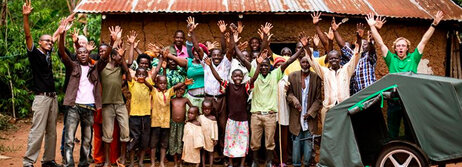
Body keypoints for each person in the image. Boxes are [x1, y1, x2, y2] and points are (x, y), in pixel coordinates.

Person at [365, 12, 444, 138]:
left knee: (411, 130)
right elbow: (380, 43)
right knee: (393, 132)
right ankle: (394, 152)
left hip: (410, 100)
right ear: (395, 49)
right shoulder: (391, 59)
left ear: (407, 48)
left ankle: (412, 153)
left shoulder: (414, 58)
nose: (401, 48)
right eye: (398, 46)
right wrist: (372, 27)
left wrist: (434, 24)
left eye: (403, 46)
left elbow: (424, 41)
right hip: (394, 101)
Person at [57, 19, 111, 167]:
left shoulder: (95, 68)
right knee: (69, 138)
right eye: (79, 52)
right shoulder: (72, 66)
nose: (82, 54)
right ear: (77, 54)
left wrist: (112, 40)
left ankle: (83, 163)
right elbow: (62, 52)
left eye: (85, 52)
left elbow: (105, 57)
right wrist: (62, 35)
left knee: (87, 140)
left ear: (89, 54)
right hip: (74, 107)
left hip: (89, 108)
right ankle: (69, 164)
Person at [22, 0, 67, 166]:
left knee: (52, 132)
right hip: (41, 99)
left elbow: (54, 37)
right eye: (46, 41)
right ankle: (28, 162)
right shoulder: (34, 53)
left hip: (53, 98)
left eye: (50, 41)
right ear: (39, 43)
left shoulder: (48, 53)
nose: (49, 42)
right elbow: (28, 35)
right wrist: (26, 17)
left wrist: (60, 29)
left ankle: (48, 160)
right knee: (37, 130)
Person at [206, 49, 262, 167]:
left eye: (240, 75)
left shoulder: (246, 86)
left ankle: (242, 163)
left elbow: (255, 77)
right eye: (235, 75)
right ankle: (231, 163)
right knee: (230, 142)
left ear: (243, 77)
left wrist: (259, 64)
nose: (237, 77)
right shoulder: (228, 86)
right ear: (231, 77)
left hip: (243, 120)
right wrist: (211, 66)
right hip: (231, 120)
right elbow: (218, 78)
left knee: (243, 142)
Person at [304, 31, 361, 126]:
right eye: (331, 59)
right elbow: (312, 61)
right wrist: (306, 47)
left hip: (344, 108)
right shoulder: (325, 72)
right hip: (328, 109)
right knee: (328, 135)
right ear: (328, 61)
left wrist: (359, 38)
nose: (333, 60)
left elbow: (355, 57)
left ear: (340, 59)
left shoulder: (346, 70)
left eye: (335, 58)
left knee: (344, 132)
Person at [149, 52, 189, 167]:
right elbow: (149, 84)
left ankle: (161, 162)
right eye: (160, 83)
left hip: (165, 123)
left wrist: (184, 83)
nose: (162, 85)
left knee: (163, 144)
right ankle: (152, 162)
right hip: (155, 122)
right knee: (153, 144)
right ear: (156, 83)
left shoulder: (169, 92)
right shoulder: (154, 91)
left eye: (164, 83)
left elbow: (175, 87)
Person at [332, 17, 384, 94]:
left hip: (371, 94)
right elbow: (342, 46)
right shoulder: (354, 57)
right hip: (358, 96)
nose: (364, 45)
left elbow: (372, 46)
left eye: (365, 44)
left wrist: (374, 32)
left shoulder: (369, 57)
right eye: (362, 44)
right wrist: (335, 31)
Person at [99, 37, 130, 166]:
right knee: (107, 133)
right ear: (112, 56)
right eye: (117, 55)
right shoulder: (102, 67)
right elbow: (105, 55)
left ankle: (122, 158)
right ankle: (107, 160)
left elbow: (128, 74)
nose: (120, 57)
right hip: (107, 105)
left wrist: (122, 58)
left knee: (125, 131)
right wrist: (112, 43)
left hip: (120, 104)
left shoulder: (120, 68)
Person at [286, 56, 322, 166]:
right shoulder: (292, 76)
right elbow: (288, 94)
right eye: (303, 62)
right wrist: (295, 101)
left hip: (309, 117)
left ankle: (306, 163)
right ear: (300, 63)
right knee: (296, 141)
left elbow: (318, 99)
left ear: (311, 64)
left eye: (307, 62)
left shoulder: (316, 78)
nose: (305, 64)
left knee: (308, 140)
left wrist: (310, 113)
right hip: (296, 115)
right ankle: (296, 164)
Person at [126, 66, 154, 167]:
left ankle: (141, 161)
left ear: (147, 76)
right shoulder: (132, 83)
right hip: (134, 116)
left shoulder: (148, 83)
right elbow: (127, 72)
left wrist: (161, 60)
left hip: (146, 116)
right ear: (136, 75)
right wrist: (122, 60)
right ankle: (132, 161)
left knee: (144, 139)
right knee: (134, 139)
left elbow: (152, 87)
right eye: (139, 74)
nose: (141, 76)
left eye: (143, 74)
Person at [169, 85, 193, 167]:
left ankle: (181, 161)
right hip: (173, 125)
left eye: (182, 89)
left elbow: (193, 109)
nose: (179, 91)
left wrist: (188, 118)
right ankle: (175, 162)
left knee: (181, 142)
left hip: (182, 125)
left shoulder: (185, 100)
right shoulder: (171, 100)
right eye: (177, 89)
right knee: (173, 141)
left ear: (185, 91)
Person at [198, 100, 219, 167]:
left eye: (208, 109)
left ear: (211, 109)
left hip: (210, 138)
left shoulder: (213, 118)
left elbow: (215, 129)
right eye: (205, 109)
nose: (206, 110)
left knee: (211, 152)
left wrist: (215, 139)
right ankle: (203, 165)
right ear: (202, 109)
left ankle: (211, 165)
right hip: (202, 138)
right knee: (203, 152)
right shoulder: (200, 117)